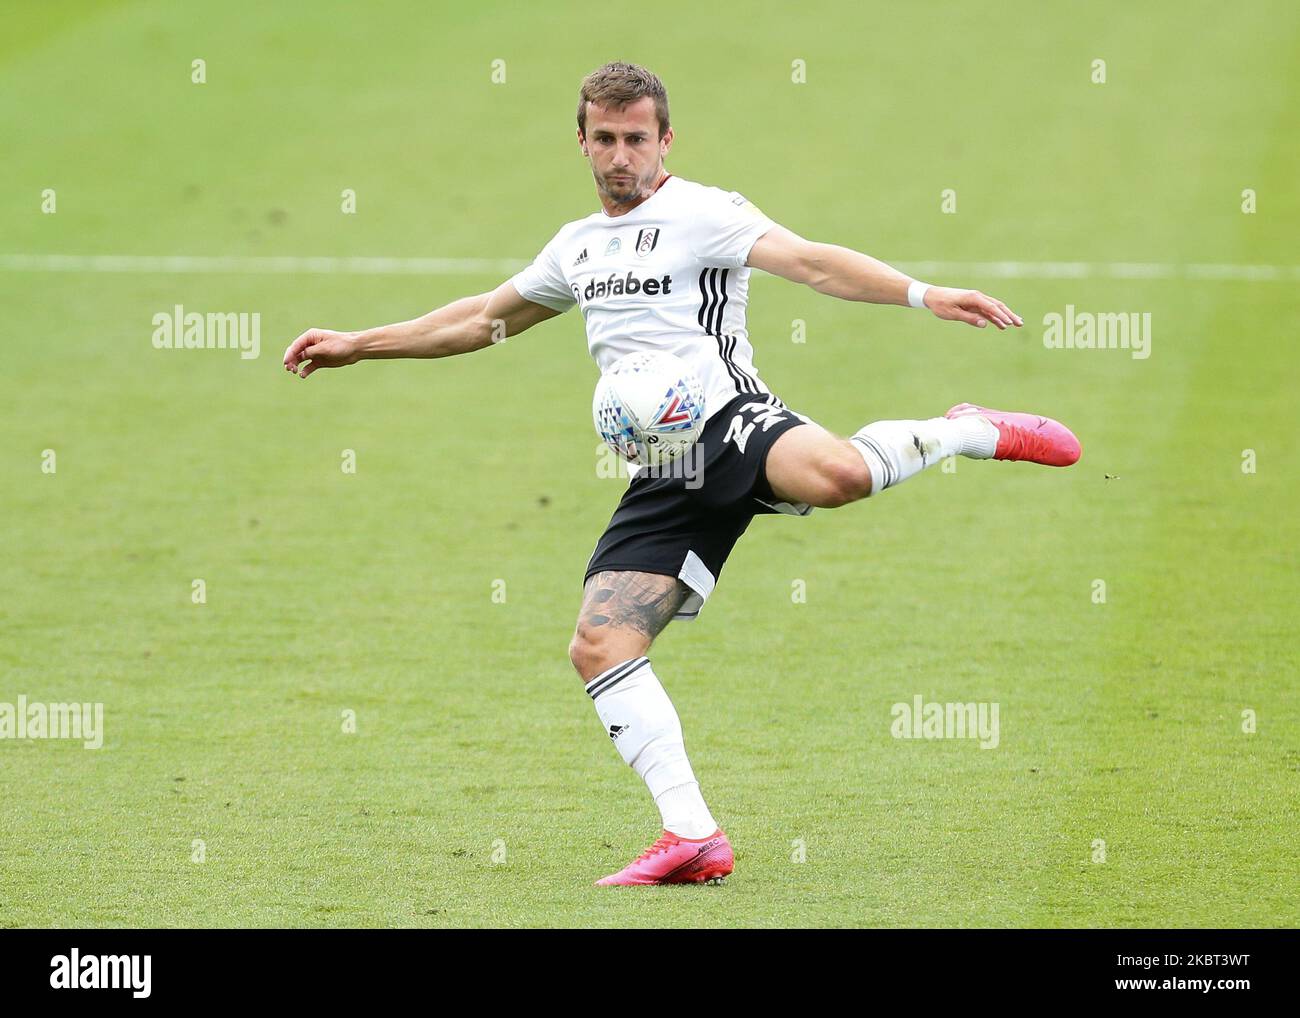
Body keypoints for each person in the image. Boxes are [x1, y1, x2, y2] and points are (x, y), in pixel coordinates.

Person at [282, 61, 1080, 887]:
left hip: (731, 422)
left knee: (841, 475)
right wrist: (357, 344)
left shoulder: (704, 213)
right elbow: (481, 320)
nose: (620, 156)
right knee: (598, 644)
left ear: (665, 140)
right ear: (582, 143)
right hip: (664, 466)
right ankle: (692, 835)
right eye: (604, 139)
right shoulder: (577, 247)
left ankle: (963, 431)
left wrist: (923, 293)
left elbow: (809, 263)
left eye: (636, 138)